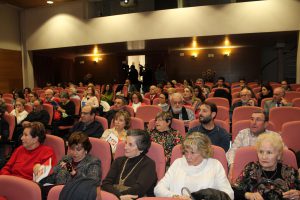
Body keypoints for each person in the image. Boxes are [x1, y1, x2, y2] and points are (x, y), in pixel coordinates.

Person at [154, 132, 234, 199]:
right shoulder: (178, 163)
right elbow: (158, 189)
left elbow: (229, 195)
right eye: (186, 151)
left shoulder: (215, 165)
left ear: (203, 152)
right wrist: (175, 196)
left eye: (192, 153)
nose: (188, 156)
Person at [233, 132, 300, 200]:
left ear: (279, 155)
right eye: (261, 152)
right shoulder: (251, 169)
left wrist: (298, 194)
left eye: (269, 152)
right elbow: (234, 191)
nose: (264, 157)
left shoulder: (290, 172)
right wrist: (248, 195)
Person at [40, 132, 102, 199]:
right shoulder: (66, 158)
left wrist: (73, 172)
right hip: (58, 194)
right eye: (72, 149)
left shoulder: (93, 162)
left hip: (77, 196)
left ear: (86, 149)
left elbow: (92, 183)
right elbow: (51, 179)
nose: (74, 152)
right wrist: (43, 172)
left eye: (78, 150)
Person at [102, 129, 157, 199]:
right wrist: (119, 196)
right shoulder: (118, 161)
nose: (125, 147)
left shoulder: (149, 164)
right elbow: (106, 183)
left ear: (141, 149)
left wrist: (117, 196)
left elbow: (139, 189)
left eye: (130, 145)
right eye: (126, 143)